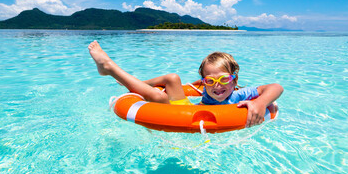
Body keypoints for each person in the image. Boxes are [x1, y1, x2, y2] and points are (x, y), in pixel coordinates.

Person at [88, 40, 283, 127]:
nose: (217, 86)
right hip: (185, 112)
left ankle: (109, 67)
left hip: (189, 115)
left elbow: (276, 87)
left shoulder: (238, 95)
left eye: (224, 79)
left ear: (234, 81)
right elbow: (198, 86)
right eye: (210, 81)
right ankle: (125, 77)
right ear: (204, 83)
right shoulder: (208, 89)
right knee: (172, 78)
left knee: (158, 96)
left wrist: (259, 102)